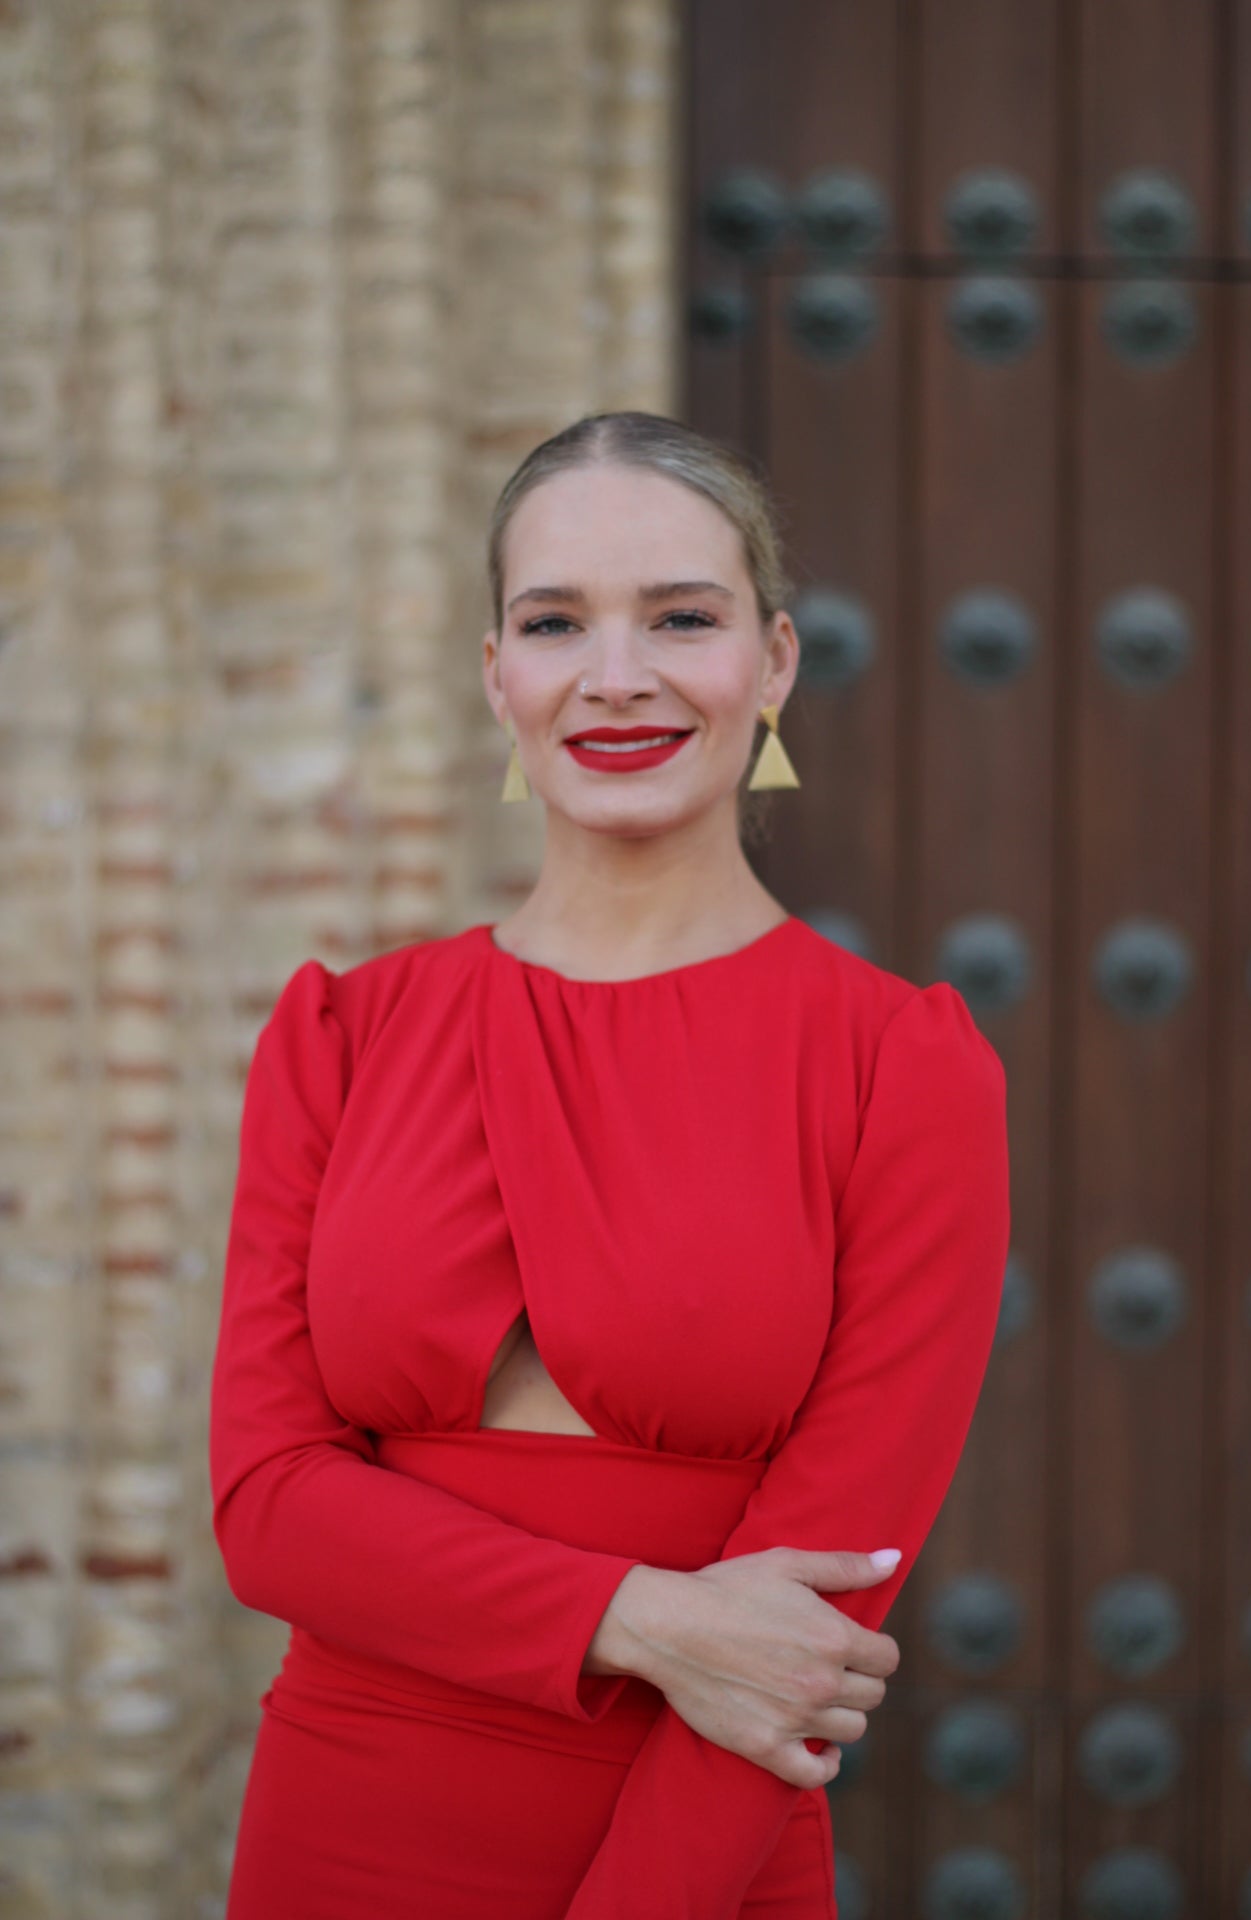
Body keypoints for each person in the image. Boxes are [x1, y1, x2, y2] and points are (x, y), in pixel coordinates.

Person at [209, 409, 1011, 1918]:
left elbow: (808, 1629)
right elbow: (266, 1505)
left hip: (698, 1845)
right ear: (496, 672)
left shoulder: (904, 1069)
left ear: (771, 663)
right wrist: (637, 1616)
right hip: (338, 1825)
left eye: (682, 619)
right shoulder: (344, 1035)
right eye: (556, 621)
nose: (617, 674)